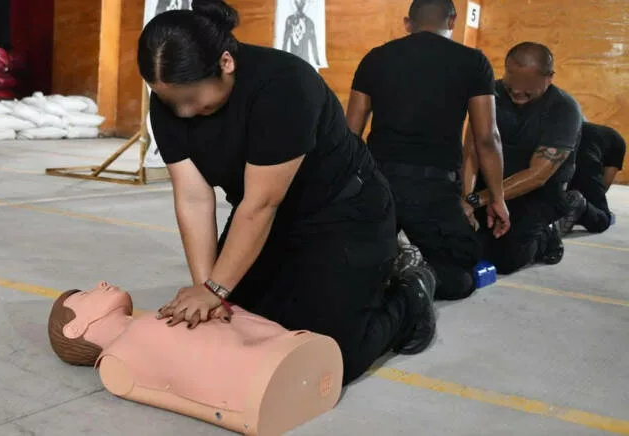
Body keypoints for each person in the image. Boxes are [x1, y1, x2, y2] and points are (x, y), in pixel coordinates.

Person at [138, 0, 437, 386]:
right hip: (266, 215)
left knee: (328, 357)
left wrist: (216, 288)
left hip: (344, 211)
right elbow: (194, 198)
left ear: (226, 63)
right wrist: (208, 288)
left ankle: (411, 291)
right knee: (242, 326)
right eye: (169, 100)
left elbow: (262, 203)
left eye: (192, 98)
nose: (181, 112)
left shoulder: (283, 85)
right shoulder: (170, 101)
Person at [346, 0, 508, 301]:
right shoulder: (473, 62)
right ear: (453, 21)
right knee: (462, 271)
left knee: (356, 264)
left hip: (378, 185)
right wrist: (497, 198)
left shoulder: (375, 58)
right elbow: (487, 139)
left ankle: (392, 256)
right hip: (434, 190)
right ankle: (416, 269)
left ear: (408, 23)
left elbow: (350, 134)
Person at [48, 281, 344, 435]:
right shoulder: (116, 363)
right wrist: (240, 417)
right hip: (253, 378)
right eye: (87, 293)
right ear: (75, 329)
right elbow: (182, 399)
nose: (100, 283)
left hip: (270, 347)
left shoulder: (150, 319)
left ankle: (283, 350)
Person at [463, 42, 583, 273]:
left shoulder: (563, 109)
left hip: (537, 193)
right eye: (512, 84)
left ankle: (548, 234)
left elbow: (536, 176)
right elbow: (471, 152)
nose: (517, 92)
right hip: (489, 187)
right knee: (459, 244)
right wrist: (467, 199)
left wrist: (482, 199)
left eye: (528, 87)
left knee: (507, 259)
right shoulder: (490, 95)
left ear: (549, 78)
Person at [557, 121, 626, 234]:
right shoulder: (617, 141)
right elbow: (605, 182)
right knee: (602, 220)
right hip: (587, 162)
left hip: (560, 158)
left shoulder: (572, 122)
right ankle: (581, 206)